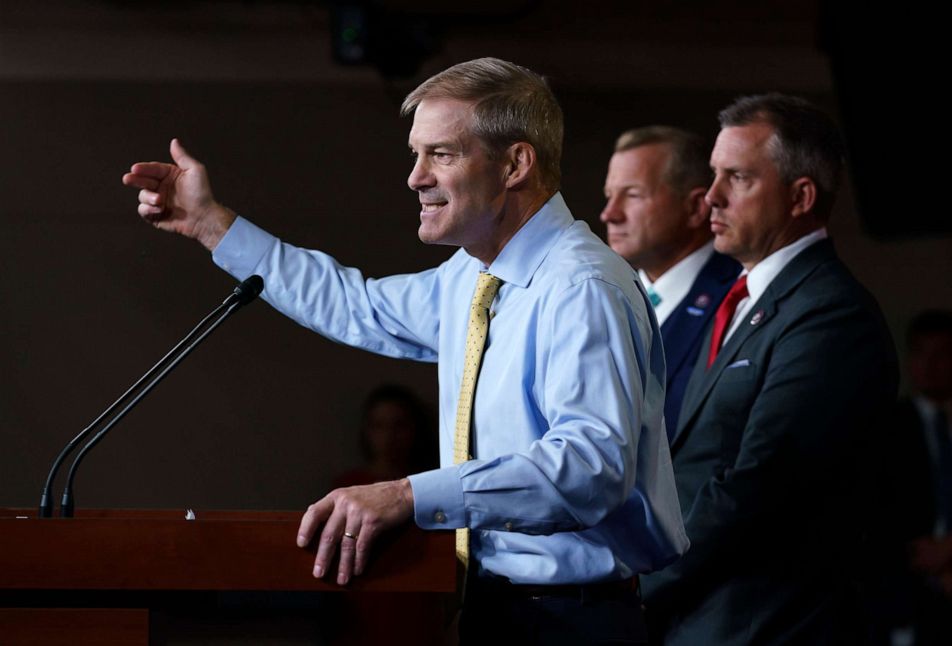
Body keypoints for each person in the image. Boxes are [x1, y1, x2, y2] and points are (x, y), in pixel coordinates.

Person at [122, 57, 687, 645]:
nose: (415, 178)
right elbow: (356, 307)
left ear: (517, 163)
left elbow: (590, 469)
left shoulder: (581, 286)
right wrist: (213, 225)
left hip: (573, 622)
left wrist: (407, 495)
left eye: (441, 154)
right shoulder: (471, 278)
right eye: (416, 155)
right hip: (496, 610)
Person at [644, 93, 899, 644]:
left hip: (766, 628)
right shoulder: (741, 299)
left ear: (800, 196)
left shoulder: (830, 314)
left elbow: (757, 487)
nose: (711, 196)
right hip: (698, 620)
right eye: (714, 175)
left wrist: (632, 585)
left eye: (737, 178)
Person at [600, 125, 740, 438]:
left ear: (695, 207)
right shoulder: (599, 293)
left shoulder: (740, 295)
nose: (609, 214)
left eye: (632, 195)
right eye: (610, 196)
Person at [877, 310, 952, 645]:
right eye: (920, 353)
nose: (929, 365)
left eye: (940, 355)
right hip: (903, 597)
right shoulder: (884, 428)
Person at [332, 384, 437, 488]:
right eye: (379, 426)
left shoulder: (428, 482)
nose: (389, 436)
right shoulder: (349, 485)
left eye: (399, 425)